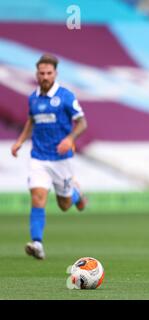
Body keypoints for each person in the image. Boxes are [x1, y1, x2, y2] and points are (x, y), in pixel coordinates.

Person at [11, 54, 88, 260]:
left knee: (64, 205)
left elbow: (82, 123)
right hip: (38, 157)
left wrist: (70, 139)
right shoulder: (33, 97)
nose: (45, 76)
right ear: (37, 74)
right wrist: (20, 141)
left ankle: (76, 194)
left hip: (61, 159)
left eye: (49, 73)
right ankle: (37, 243)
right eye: (41, 73)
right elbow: (31, 121)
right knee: (38, 197)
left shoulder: (66, 96)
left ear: (55, 74)